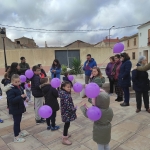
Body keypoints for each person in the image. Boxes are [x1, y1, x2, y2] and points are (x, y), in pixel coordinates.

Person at [6, 74, 28, 143]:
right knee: (16, 122)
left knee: (19, 121)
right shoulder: (11, 90)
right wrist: (21, 97)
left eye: (19, 81)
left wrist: (25, 98)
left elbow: (21, 94)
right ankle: (16, 137)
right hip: (15, 109)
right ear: (12, 81)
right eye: (16, 82)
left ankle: (19, 131)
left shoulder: (19, 87)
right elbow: (11, 100)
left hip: (19, 107)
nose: (18, 83)